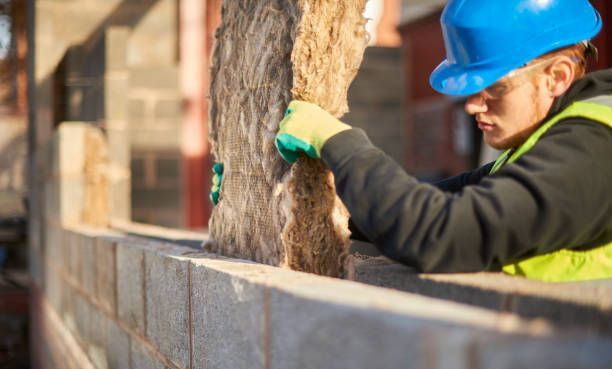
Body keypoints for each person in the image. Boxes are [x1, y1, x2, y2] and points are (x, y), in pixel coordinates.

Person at [213, 0, 611, 282]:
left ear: (556, 77)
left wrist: (340, 142)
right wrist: (283, 199)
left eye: (493, 87)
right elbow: (423, 204)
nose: (473, 106)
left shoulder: (594, 152)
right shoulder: (552, 140)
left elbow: (436, 232)